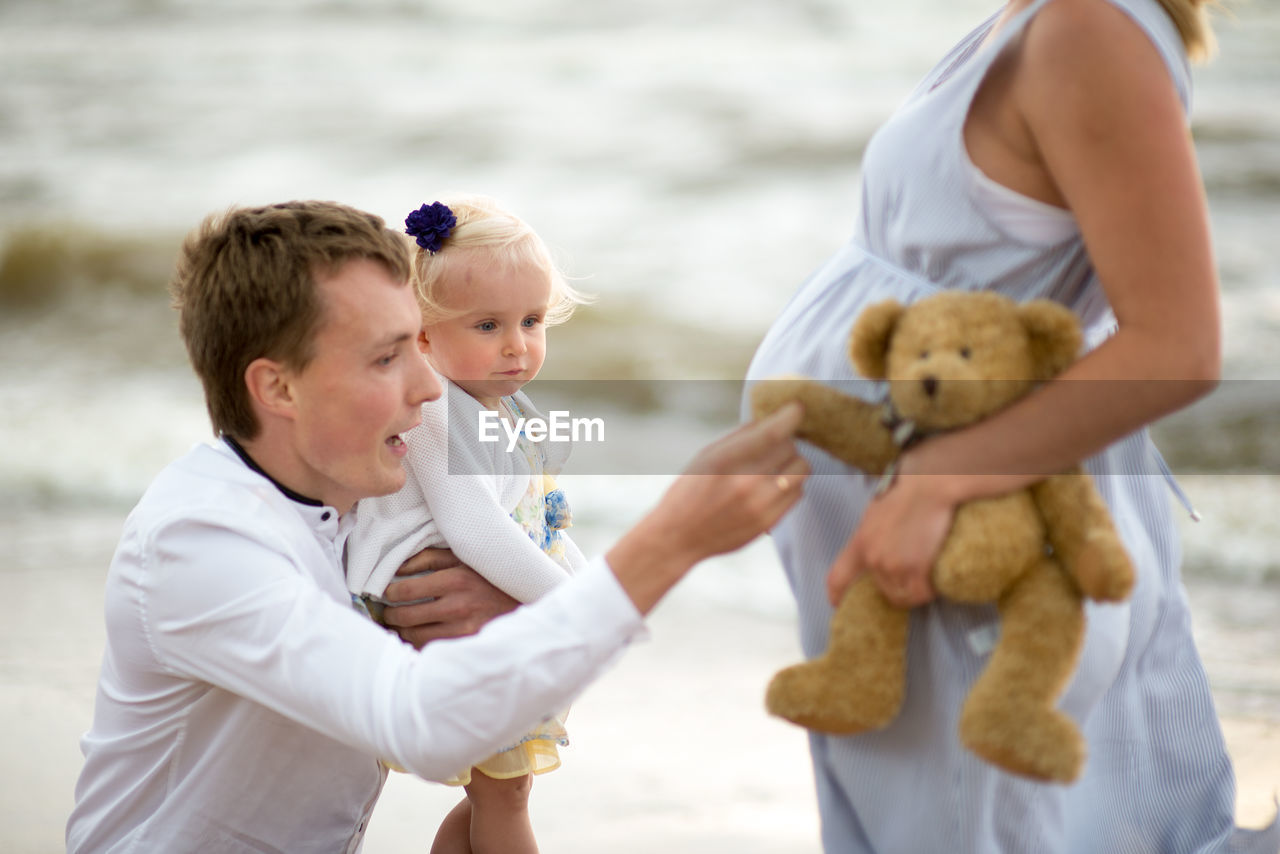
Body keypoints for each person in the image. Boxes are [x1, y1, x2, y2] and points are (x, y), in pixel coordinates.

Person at [66, 199, 809, 853]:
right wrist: (670, 541)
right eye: (388, 357)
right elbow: (420, 723)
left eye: (419, 344)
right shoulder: (202, 545)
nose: (428, 388)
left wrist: (509, 600)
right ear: (278, 387)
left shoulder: (362, 516)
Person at [743, 0, 1280, 852]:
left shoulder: (1088, 28)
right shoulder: (1045, 16)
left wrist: (934, 480)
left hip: (970, 534)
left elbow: (1178, 344)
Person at [346, 195, 592, 854]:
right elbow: (475, 528)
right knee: (502, 795)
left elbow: (534, 518)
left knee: (501, 793)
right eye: (488, 326)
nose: (518, 346)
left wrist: (590, 579)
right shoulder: (436, 411)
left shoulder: (501, 401)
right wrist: (579, 608)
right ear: (422, 335)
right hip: (449, 625)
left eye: (532, 321)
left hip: (492, 619)